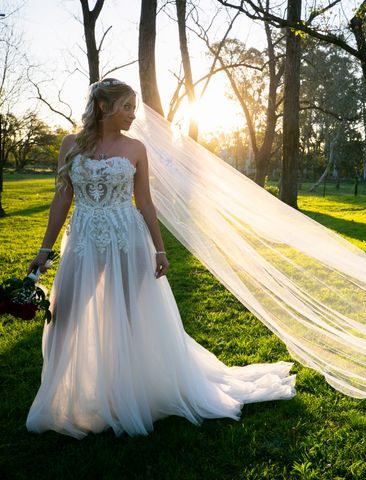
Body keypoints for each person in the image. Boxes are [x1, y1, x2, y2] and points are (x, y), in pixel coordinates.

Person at [25, 78, 295, 439]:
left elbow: (145, 202)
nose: (133, 115)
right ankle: (63, 396)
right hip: (84, 240)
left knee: (127, 316)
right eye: (126, 107)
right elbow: (62, 198)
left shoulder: (136, 148)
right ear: (104, 107)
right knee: (66, 312)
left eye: (134, 107)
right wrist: (45, 250)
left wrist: (160, 248)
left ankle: (130, 393)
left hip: (128, 238)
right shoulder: (70, 145)